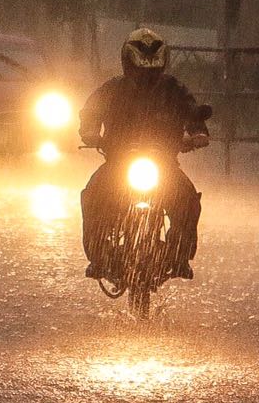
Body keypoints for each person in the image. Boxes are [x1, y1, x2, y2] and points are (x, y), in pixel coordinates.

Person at [79, 27, 210, 280]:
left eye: (152, 69)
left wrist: (198, 133)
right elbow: (90, 112)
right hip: (118, 164)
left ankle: (180, 256)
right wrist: (90, 132)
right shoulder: (113, 89)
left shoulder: (174, 89)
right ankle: (98, 257)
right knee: (92, 197)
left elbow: (192, 110)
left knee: (188, 201)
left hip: (165, 165)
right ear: (128, 63)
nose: (146, 75)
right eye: (141, 69)